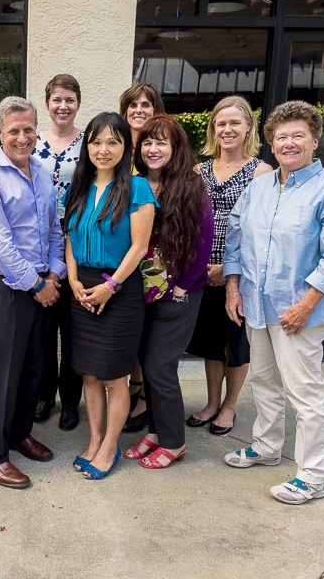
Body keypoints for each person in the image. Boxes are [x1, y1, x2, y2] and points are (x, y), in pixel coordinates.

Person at [223, 101, 324, 505]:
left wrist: (305, 305)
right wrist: (234, 288)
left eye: (298, 135)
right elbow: (235, 239)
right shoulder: (259, 188)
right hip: (257, 304)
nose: (288, 143)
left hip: (300, 312)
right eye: (280, 136)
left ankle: (313, 476)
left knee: (305, 392)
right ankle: (266, 447)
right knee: (264, 381)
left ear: (314, 140)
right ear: (270, 143)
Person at [0, 96, 66, 489]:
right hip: (4, 288)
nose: (22, 137)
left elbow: (54, 229)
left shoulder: (42, 173)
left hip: (44, 282)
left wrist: (55, 273)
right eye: (14, 130)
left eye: (28, 130)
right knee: (0, 375)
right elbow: (1, 246)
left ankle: (19, 432)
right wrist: (38, 284)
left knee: (34, 368)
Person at [64, 112, 156, 479]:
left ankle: (109, 446)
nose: (104, 150)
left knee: (115, 376)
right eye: (96, 142)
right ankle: (95, 438)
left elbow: (139, 248)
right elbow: (70, 237)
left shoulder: (138, 188)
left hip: (119, 288)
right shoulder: (78, 187)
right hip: (82, 288)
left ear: (125, 147)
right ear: (87, 146)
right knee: (88, 374)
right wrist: (72, 279)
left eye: (113, 142)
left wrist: (110, 286)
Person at [123, 115, 213, 469]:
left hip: (178, 292)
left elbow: (202, 242)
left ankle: (174, 442)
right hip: (143, 290)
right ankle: (156, 432)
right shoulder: (137, 183)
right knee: (149, 364)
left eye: (162, 142)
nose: (153, 148)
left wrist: (182, 286)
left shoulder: (191, 186)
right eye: (147, 142)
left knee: (160, 366)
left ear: (176, 148)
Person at [185, 96, 272, 435]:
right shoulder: (199, 170)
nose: (227, 129)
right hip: (202, 273)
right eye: (221, 123)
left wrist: (229, 269)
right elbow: (190, 221)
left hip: (241, 274)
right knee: (210, 342)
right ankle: (211, 402)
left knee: (235, 343)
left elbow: (262, 231)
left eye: (235, 122)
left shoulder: (262, 172)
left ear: (248, 126)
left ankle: (230, 406)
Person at [32, 74, 85, 430]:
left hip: (78, 243)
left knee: (74, 328)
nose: (62, 106)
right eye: (56, 100)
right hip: (41, 248)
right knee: (43, 329)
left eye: (69, 99)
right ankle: (43, 395)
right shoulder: (32, 143)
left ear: (78, 103)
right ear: (47, 103)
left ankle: (70, 401)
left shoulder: (89, 142)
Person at [117, 82, 166, 433]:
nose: (139, 110)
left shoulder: (160, 147)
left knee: (152, 334)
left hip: (156, 261)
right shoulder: (117, 151)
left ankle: (146, 395)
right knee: (132, 330)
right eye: (132, 104)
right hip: (122, 257)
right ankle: (132, 388)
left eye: (146, 104)